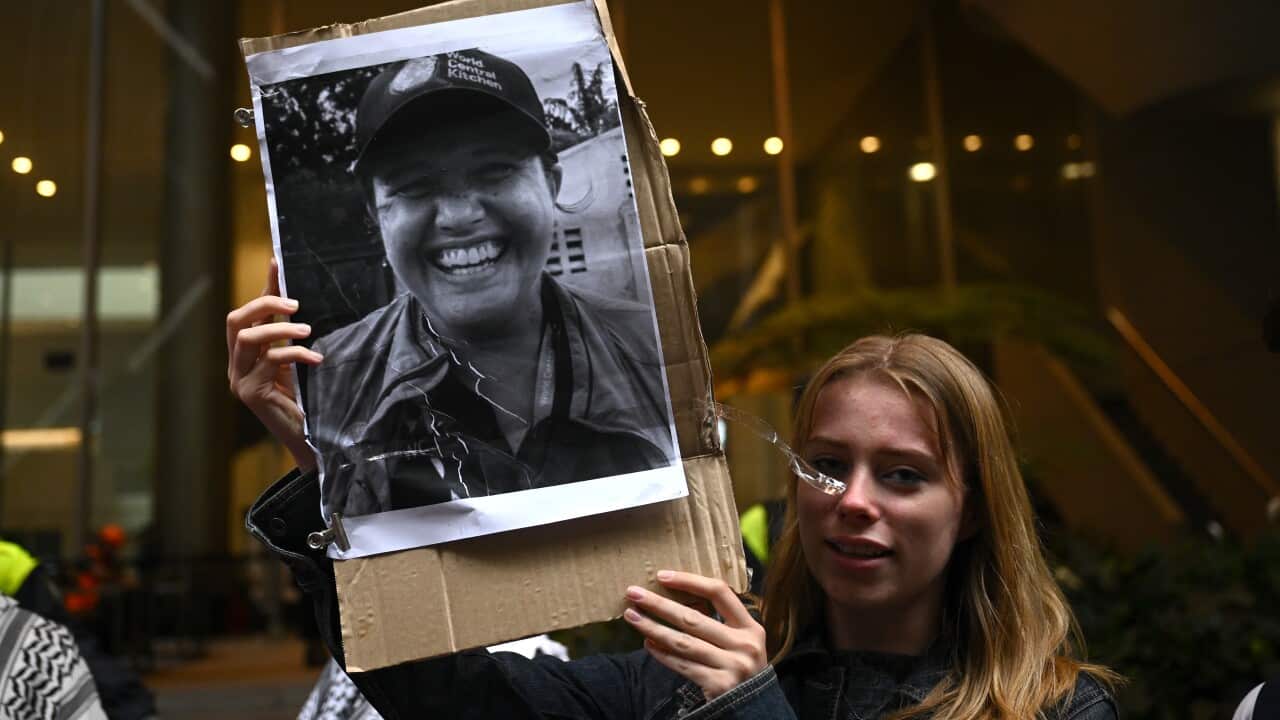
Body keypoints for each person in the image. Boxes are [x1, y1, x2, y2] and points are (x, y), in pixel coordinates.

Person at [231, 316, 1119, 717]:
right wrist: (337, 471)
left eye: (903, 475)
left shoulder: (1054, 709)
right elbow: (445, 696)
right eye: (829, 464)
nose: (853, 500)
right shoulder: (680, 680)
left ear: (971, 512)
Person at [285, 48, 672, 518]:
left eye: (495, 171)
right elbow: (351, 584)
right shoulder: (327, 382)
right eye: (413, 186)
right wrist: (306, 457)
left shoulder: (658, 350)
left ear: (550, 184)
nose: (459, 216)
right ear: (376, 213)